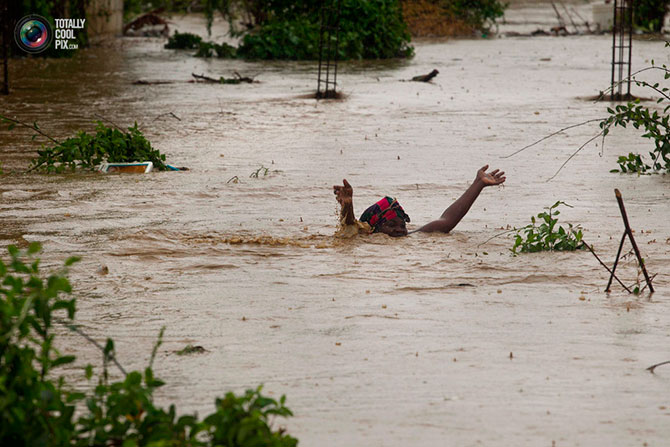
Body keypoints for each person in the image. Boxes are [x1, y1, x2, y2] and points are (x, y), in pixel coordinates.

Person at [333, 165, 506, 237]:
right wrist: (348, 207)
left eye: (402, 225)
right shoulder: (367, 237)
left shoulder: (413, 237)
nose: (400, 230)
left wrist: (478, 184)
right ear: (374, 229)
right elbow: (351, 228)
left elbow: (447, 221)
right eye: (391, 225)